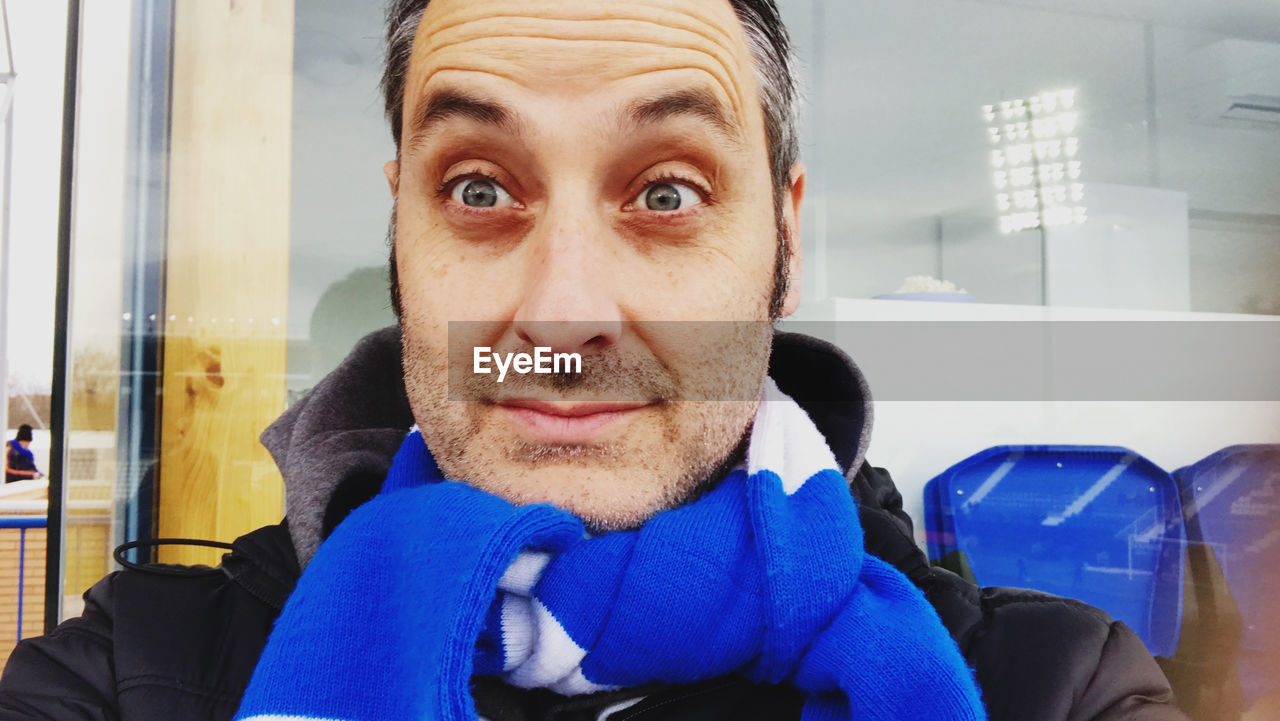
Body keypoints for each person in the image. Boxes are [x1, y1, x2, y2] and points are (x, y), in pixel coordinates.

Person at [0, 1, 1188, 720]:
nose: (562, 316)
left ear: (783, 237)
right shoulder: (134, 675)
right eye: (477, 188)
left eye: (665, 190)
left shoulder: (1047, 685)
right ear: (399, 233)